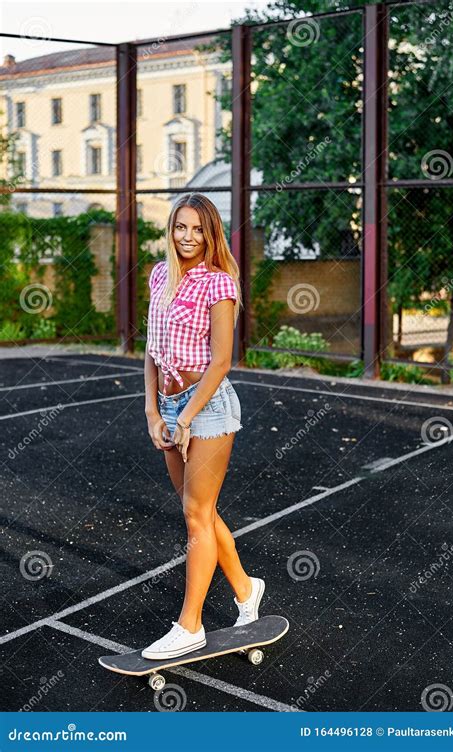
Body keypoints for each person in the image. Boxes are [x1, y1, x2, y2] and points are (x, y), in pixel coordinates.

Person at [142, 193, 265, 660]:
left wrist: (188, 417)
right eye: (180, 227)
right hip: (169, 405)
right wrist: (155, 414)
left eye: (197, 229)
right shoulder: (159, 276)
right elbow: (152, 352)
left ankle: (190, 625)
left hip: (207, 409)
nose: (187, 237)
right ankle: (245, 588)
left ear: (210, 233)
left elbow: (220, 361)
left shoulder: (220, 285)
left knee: (196, 515)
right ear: (170, 230)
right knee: (203, 512)